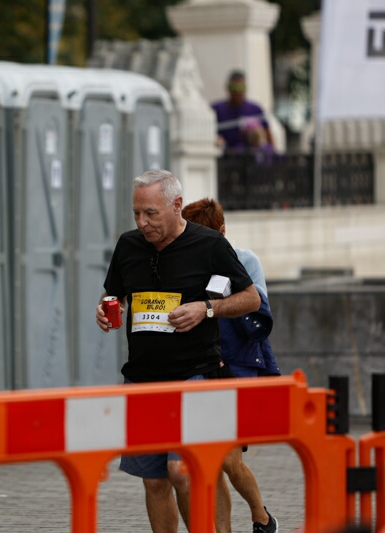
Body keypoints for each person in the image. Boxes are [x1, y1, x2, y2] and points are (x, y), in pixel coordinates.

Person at [95, 169, 265, 533]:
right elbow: (114, 294)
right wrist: (107, 308)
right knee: (155, 481)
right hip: (142, 379)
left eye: (151, 213)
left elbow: (251, 298)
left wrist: (207, 309)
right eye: (136, 213)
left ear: (176, 206)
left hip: (194, 375)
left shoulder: (210, 244)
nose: (142, 222)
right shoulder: (128, 245)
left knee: (181, 470)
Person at [181, 198, 279, 533]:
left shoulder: (245, 260)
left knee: (229, 459)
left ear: (222, 232)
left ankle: (262, 517)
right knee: (211, 462)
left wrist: (220, 294)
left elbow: (258, 314)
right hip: (203, 366)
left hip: (239, 366)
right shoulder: (185, 262)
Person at [212, 70, 274, 151]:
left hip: (250, 156)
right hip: (226, 156)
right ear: (228, 87)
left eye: (241, 87)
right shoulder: (216, 109)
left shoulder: (255, 110)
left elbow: (269, 138)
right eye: (234, 87)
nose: (238, 91)